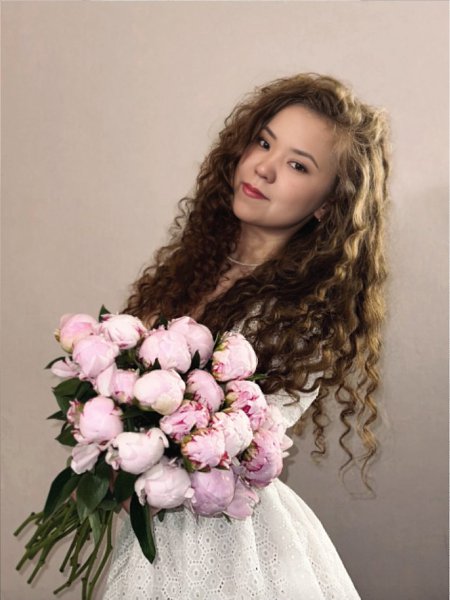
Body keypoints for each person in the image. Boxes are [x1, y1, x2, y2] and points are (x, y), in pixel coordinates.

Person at [102, 72, 390, 599]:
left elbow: (236, 446)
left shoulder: (304, 315)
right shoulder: (194, 268)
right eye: (263, 142)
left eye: (298, 165)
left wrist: (140, 460)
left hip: (228, 546)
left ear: (327, 205)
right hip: (152, 533)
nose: (264, 168)